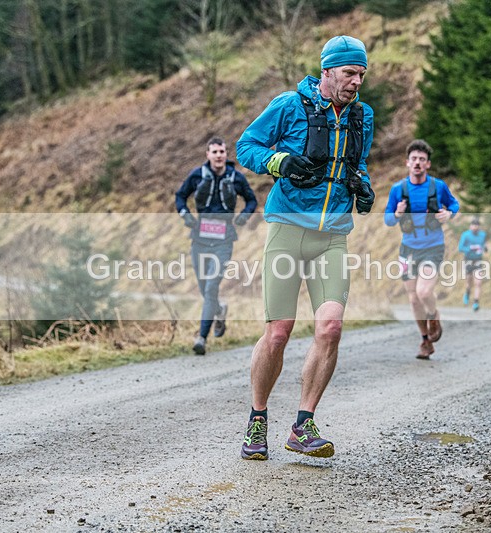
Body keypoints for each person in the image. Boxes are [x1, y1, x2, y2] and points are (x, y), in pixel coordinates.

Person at [235, 35, 375, 460]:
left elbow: (360, 161)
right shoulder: (288, 105)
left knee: (330, 327)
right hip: (287, 229)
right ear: (328, 71)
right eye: (350, 73)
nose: (357, 81)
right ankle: (257, 420)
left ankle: (303, 424)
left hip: (333, 233)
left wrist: (363, 185)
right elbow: (247, 146)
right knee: (278, 331)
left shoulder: (362, 116)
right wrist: (279, 162)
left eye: (362, 74)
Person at [175, 137, 258, 355]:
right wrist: (186, 215)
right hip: (199, 239)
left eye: (222, 151)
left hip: (224, 240)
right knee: (204, 289)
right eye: (215, 152)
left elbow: (251, 200)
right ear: (208, 154)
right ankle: (219, 310)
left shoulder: (235, 177)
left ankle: (201, 337)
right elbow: (180, 197)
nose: (219, 155)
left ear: (226, 154)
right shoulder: (197, 175)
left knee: (212, 286)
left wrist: (242, 218)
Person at [384, 140, 459, 360]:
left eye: (422, 160)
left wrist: (449, 214)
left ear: (428, 164)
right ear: (407, 163)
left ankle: (434, 315)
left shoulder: (438, 186)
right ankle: (426, 340)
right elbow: (388, 219)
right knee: (413, 298)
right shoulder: (398, 189)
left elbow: (454, 205)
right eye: (414, 159)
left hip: (433, 246)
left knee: (424, 292)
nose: (418, 163)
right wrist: (397, 214)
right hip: (408, 248)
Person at [459, 217, 488, 312]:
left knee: (478, 282)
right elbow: (460, 248)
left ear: (479, 227)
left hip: (478, 260)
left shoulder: (482, 235)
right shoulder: (465, 235)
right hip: (468, 260)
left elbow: (484, 245)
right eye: (473, 226)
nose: (475, 228)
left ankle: (476, 302)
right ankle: (467, 292)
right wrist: (470, 249)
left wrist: (485, 248)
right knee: (469, 282)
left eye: (477, 226)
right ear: (470, 226)